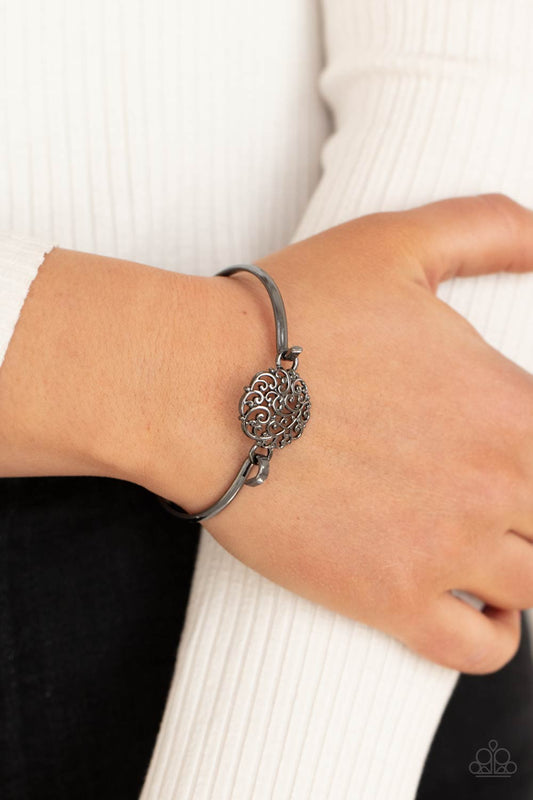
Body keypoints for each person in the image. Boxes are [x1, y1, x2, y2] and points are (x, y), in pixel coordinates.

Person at [1, 2, 533, 798]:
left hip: (378, 545)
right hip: (345, 480)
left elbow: (464, 72)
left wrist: (285, 763)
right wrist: (176, 372)